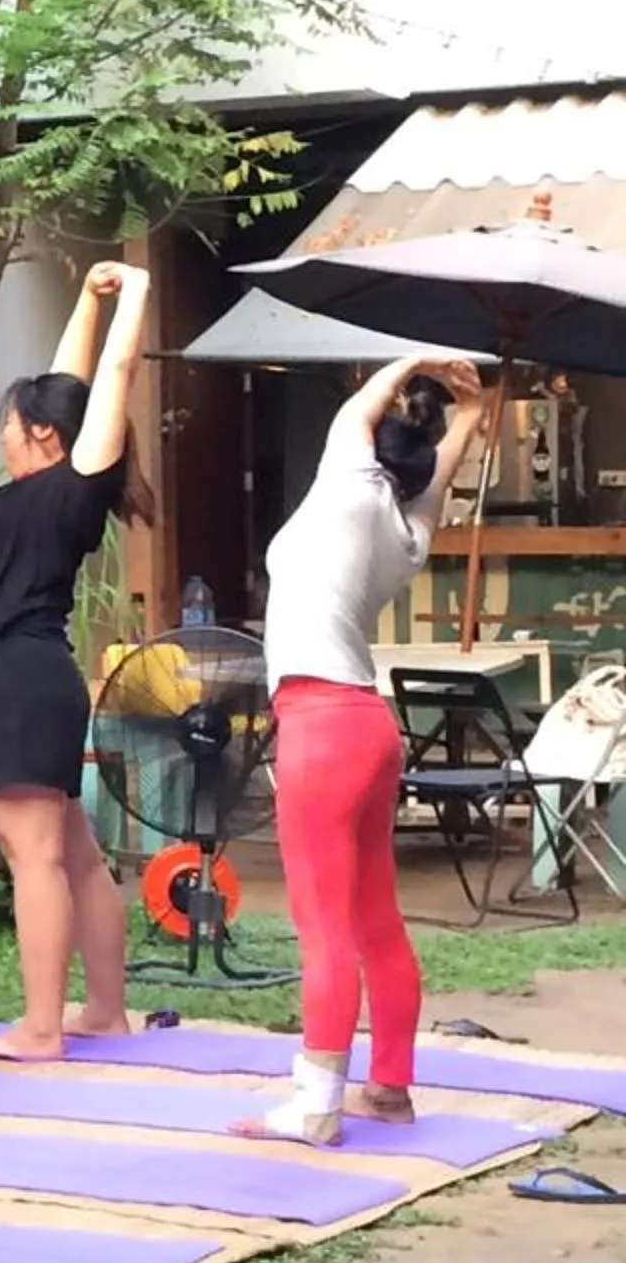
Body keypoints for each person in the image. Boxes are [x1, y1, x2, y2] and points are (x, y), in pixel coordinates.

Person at [233, 354, 488, 1144]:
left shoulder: (345, 478)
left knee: (324, 922)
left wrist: (414, 367)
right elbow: (433, 472)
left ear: (372, 443)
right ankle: (390, 1087)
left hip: (319, 723)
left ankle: (316, 1103)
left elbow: (369, 405)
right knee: (375, 914)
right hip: (370, 726)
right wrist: (473, 412)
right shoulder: (408, 527)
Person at [0, 260, 151, 1062]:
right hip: (29, 677)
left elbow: (112, 379)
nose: (2, 430)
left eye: (11, 419)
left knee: (34, 855)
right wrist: (88, 300)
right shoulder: (54, 484)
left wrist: (137, 295)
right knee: (72, 851)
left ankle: (41, 1028)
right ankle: (103, 1009)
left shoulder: (73, 488)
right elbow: (71, 382)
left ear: (44, 437)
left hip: (18, 677)